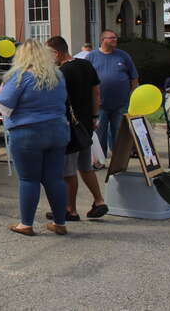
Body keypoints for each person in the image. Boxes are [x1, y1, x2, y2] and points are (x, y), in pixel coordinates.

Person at [0, 40, 70, 236]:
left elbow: (4, 106)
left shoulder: (20, 76)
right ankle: (60, 222)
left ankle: (26, 224)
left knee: (29, 179)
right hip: (57, 130)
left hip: (27, 132)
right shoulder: (57, 76)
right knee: (55, 179)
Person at [46, 36, 108, 221]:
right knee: (85, 166)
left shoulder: (61, 73)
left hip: (69, 126)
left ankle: (70, 209)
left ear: (57, 53)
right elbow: (96, 92)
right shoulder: (85, 65)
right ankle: (99, 201)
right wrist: (95, 116)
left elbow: (56, 100)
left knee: (68, 171)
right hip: (86, 124)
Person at [87, 30, 138, 156]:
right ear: (102, 40)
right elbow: (85, 78)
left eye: (115, 38)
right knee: (100, 133)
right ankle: (101, 159)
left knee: (119, 133)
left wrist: (132, 93)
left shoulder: (123, 56)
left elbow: (134, 77)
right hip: (99, 104)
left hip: (121, 104)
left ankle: (118, 160)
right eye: (112, 38)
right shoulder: (91, 57)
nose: (115, 40)